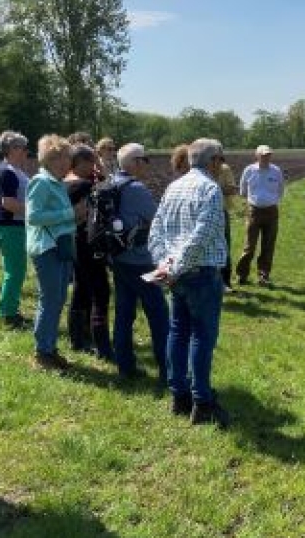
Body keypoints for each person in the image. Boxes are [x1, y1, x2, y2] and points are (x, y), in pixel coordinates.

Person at [149, 138, 229, 427]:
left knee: (178, 332)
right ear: (212, 161)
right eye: (221, 159)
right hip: (200, 273)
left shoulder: (174, 186)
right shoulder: (210, 189)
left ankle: (179, 395)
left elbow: (155, 229)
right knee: (201, 337)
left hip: (176, 274)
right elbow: (202, 234)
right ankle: (202, 401)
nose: (222, 164)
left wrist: (165, 264)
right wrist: (176, 265)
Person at [110, 143, 169, 380]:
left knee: (124, 313)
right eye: (144, 160)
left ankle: (125, 366)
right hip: (142, 261)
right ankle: (168, 368)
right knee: (158, 313)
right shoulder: (136, 189)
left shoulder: (110, 183)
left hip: (118, 258)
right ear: (134, 163)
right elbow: (158, 219)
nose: (147, 164)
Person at [27, 134, 79, 371]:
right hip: (47, 248)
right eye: (65, 158)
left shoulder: (56, 182)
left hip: (60, 247)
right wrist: (69, 215)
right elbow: (33, 217)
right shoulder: (41, 182)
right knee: (49, 300)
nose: (68, 163)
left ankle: (49, 348)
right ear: (53, 158)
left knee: (58, 299)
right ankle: (42, 353)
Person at [64, 145, 113, 359]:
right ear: (81, 162)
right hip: (88, 243)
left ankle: (77, 338)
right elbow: (107, 185)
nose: (94, 166)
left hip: (73, 242)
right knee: (100, 291)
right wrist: (101, 170)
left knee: (80, 290)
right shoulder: (83, 185)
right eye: (92, 162)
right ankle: (101, 343)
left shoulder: (65, 182)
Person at [0, 131, 31, 329]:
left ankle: (11, 309)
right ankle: (8, 314)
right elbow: (7, 203)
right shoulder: (8, 172)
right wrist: (34, 212)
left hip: (16, 225)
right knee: (14, 271)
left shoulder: (16, 170)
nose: (26, 151)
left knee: (17, 270)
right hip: (10, 226)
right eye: (22, 147)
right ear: (11, 149)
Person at [235, 145, 284, 287]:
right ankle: (242, 275)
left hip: (271, 211)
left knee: (268, 246)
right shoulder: (249, 170)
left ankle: (263, 275)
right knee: (249, 246)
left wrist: (270, 200)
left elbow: (281, 190)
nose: (266, 157)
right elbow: (243, 190)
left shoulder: (276, 171)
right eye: (263, 155)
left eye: (268, 155)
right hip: (254, 211)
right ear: (257, 156)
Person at [212, 156, 238, 290]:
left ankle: (225, 282)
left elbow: (232, 189)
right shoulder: (203, 170)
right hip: (205, 211)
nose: (218, 162)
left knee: (224, 246)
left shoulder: (225, 169)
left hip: (221, 211)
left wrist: (215, 190)